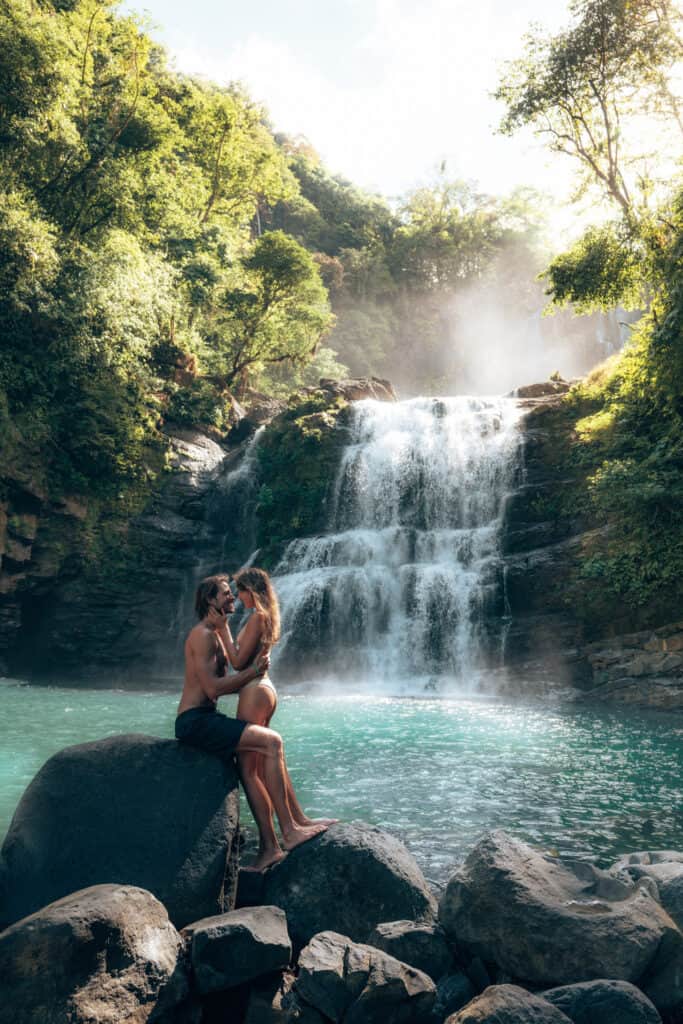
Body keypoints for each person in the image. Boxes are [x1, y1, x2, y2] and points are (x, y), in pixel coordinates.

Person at [176, 574, 328, 869]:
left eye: (233, 592)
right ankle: (288, 831)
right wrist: (253, 671)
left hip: (206, 717)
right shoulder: (203, 635)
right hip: (193, 721)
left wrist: (238, 653)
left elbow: (230, 670)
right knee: (271, 743)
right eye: (225, 594)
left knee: (265, 751)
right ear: (210, 601)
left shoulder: (215, 632)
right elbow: (213, 689)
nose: (232, 597)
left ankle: (281, 836)